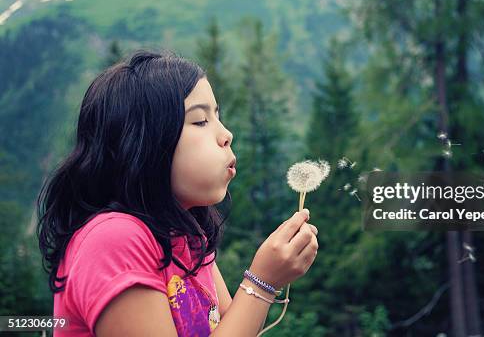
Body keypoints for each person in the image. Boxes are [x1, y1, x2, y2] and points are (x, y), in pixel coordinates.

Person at [37, 50, 319, 336]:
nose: (226, 135)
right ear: (143, 144)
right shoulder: (113, 240)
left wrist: (266, 280)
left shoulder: (187, 235)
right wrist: (261, 282)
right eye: (199, 121)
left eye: (218, 117)